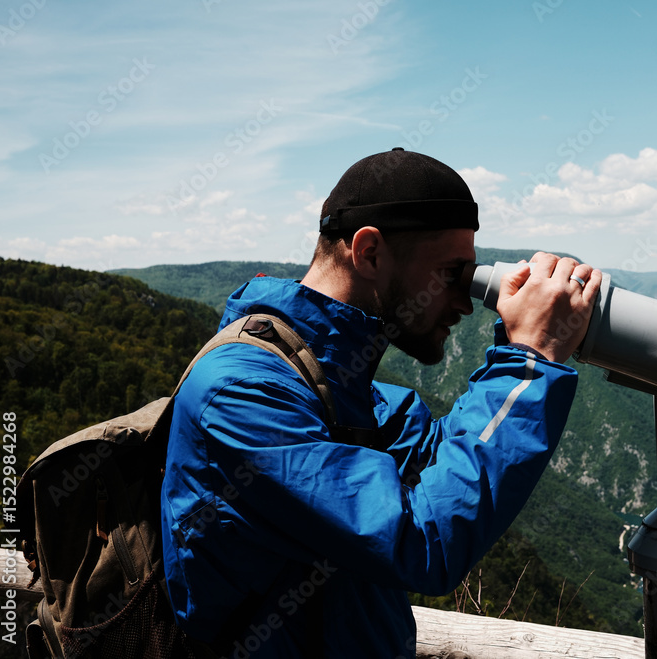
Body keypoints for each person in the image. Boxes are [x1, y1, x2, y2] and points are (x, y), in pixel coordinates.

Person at [160, 147, 601, 657]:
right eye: (451, 273)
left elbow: (440, 454)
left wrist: (515, 341)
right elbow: (421, 542)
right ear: (368, 252)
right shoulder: (242, 396)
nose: (464, 301)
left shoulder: (338, 388)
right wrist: (530, 361)